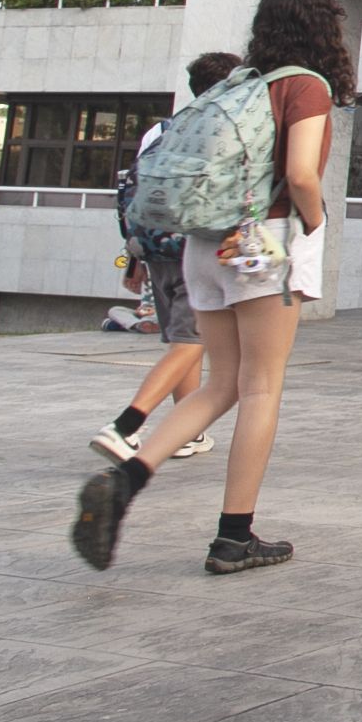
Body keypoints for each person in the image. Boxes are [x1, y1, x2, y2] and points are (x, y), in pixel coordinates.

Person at [70, 0, 349, 576]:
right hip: (263, 245)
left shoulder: (238, 83)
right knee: (261, 388)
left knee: (220, 383)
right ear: (323, 21)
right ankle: (233, 537)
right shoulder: (306, 86)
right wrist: (315, 220)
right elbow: (301, 173)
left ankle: (126, 479)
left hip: (205, 244)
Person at [90, 50, 244, 467]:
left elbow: (136, 197)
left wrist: (133, 256)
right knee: (191, 343)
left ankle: (187, 432)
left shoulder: (160, 132)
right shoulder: (222, 129)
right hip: (195, 251)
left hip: (155, 251)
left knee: (186, 341)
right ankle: (126, 425)